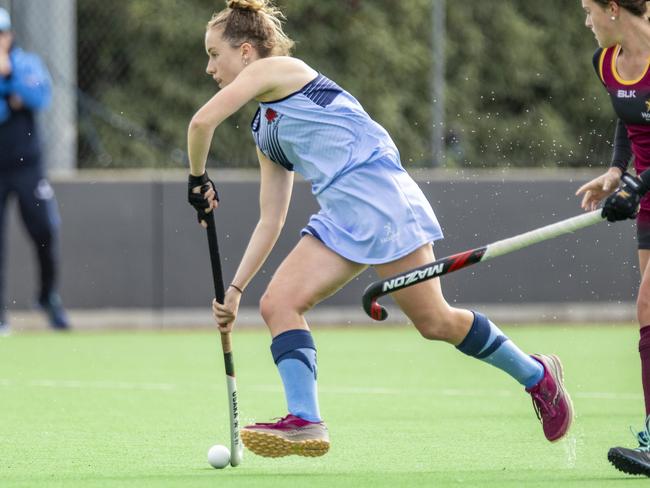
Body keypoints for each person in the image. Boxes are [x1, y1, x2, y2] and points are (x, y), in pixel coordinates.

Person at [187, 0, 572, 459]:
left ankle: (537, 376)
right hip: (340, 217)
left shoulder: (279, 70)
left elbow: (201, 121)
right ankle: (306, 421)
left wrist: (197, 178)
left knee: (435, 322)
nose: (210, 67)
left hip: (383, 201)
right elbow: (271, 217)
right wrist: (235, 290)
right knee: (278, 303)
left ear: (246, 52)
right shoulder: (264, 128)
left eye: (215, 54)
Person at [577, 0, 650, 477]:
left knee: (648, 307)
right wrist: (616, 171)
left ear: (614, 8)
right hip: (649, 196)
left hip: (647, 189)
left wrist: (638, 185)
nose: (587, 23)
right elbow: (629, 123)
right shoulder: (607, 62)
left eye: (589, 11)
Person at [0, 7, 69, 335]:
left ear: (10, 35)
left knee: (44, 230)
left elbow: (39, 96)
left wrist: (10, 77)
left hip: (28, 166)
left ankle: (47, 296)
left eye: (1, 34)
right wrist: (10, 97)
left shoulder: (26, 62)